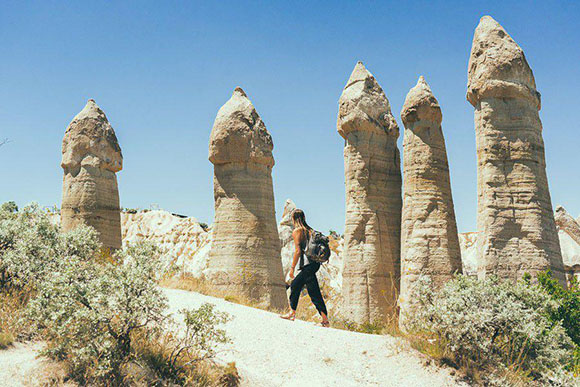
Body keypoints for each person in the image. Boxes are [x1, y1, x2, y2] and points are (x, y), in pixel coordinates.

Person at [280, 209, 329, 327]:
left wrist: (292, 268)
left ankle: (294, 313)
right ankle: (324, 319)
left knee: (302, 287)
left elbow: (298, 251)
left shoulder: (297, 231)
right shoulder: (310, 230)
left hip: (307, 265)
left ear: (294, 218)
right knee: (308, 289)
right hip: (315, 264)